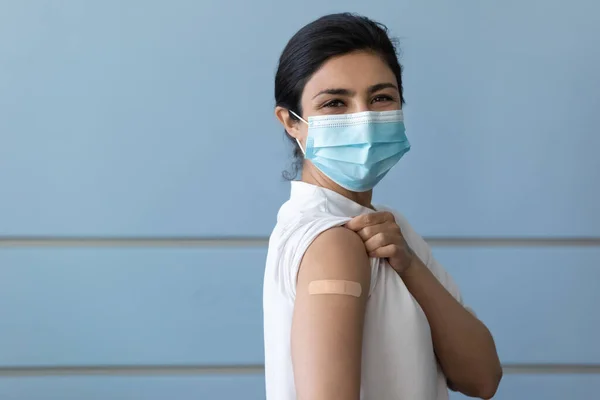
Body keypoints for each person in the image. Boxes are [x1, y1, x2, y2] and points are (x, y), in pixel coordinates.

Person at [263, 13, 502, 400]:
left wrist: (409, 265)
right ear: (291, 122)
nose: (365, 118)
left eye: (381, 98)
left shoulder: (393, 233)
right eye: (335, 103)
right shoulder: (333, 242)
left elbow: (483, 378)